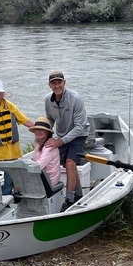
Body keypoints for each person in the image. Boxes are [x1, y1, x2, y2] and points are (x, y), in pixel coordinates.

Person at [43, 70, 89, 210]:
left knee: (70, 163)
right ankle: (79, 193)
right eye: (53, 83)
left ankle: (69, 200)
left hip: (79, 133)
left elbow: (80, 126)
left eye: (59, 82)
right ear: (49, 85)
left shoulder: (76, 98)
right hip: (62, 134)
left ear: (64, 83)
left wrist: (60, 141)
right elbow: (50, 120)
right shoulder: (47, 100)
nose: (57, 86)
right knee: (69, 165)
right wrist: (45, 137)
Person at [28, 116, 61, 186]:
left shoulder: (49, 147)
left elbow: (39, 165)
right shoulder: (38, 142)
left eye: (42, 130)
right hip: (41, 176)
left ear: (47, 132)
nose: (38, 132)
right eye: (37, 129)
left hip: (49, 180)